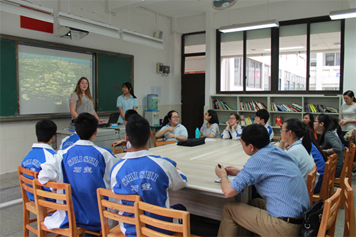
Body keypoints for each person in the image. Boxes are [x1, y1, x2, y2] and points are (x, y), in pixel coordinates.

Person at [215, 124, 310, 236]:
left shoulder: (257, 159)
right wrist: (240, 172)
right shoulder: (275, 150)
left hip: (284, 227)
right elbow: (267, 171)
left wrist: (222, 175)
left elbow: (229, 192)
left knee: (229, 209)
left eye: (242, 144)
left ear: (251, 147)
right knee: (254, 203)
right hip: (301, 219)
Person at [38, 113, 118, 232]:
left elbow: (43, 176)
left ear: (76, 131)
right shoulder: (104, 154)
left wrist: (54, 187)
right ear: (95, 132)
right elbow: (118, 180)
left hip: (71, 217)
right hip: (101, 217)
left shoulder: (62, 154)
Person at [111, 114, 187, 237]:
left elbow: (117, 199)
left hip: (130, 228)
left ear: (127, 138)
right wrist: (176, 169)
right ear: (150, 135)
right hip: (159, 228)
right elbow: (181, 182)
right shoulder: (162, 165)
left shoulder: (116, 168)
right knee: (181, 208)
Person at [21, 119, 57, 201]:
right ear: (53, 137)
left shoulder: (28, 155)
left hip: (32, 197)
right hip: (46, 201)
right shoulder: (53, 156)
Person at [279, 119, 315, 183]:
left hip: (298, 188)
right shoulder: (300, 146)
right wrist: (283, 140)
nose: (281, 133)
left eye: (282, 130)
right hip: (304, 185)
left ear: (289, 132)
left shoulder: (293, 151)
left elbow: (283, 171)